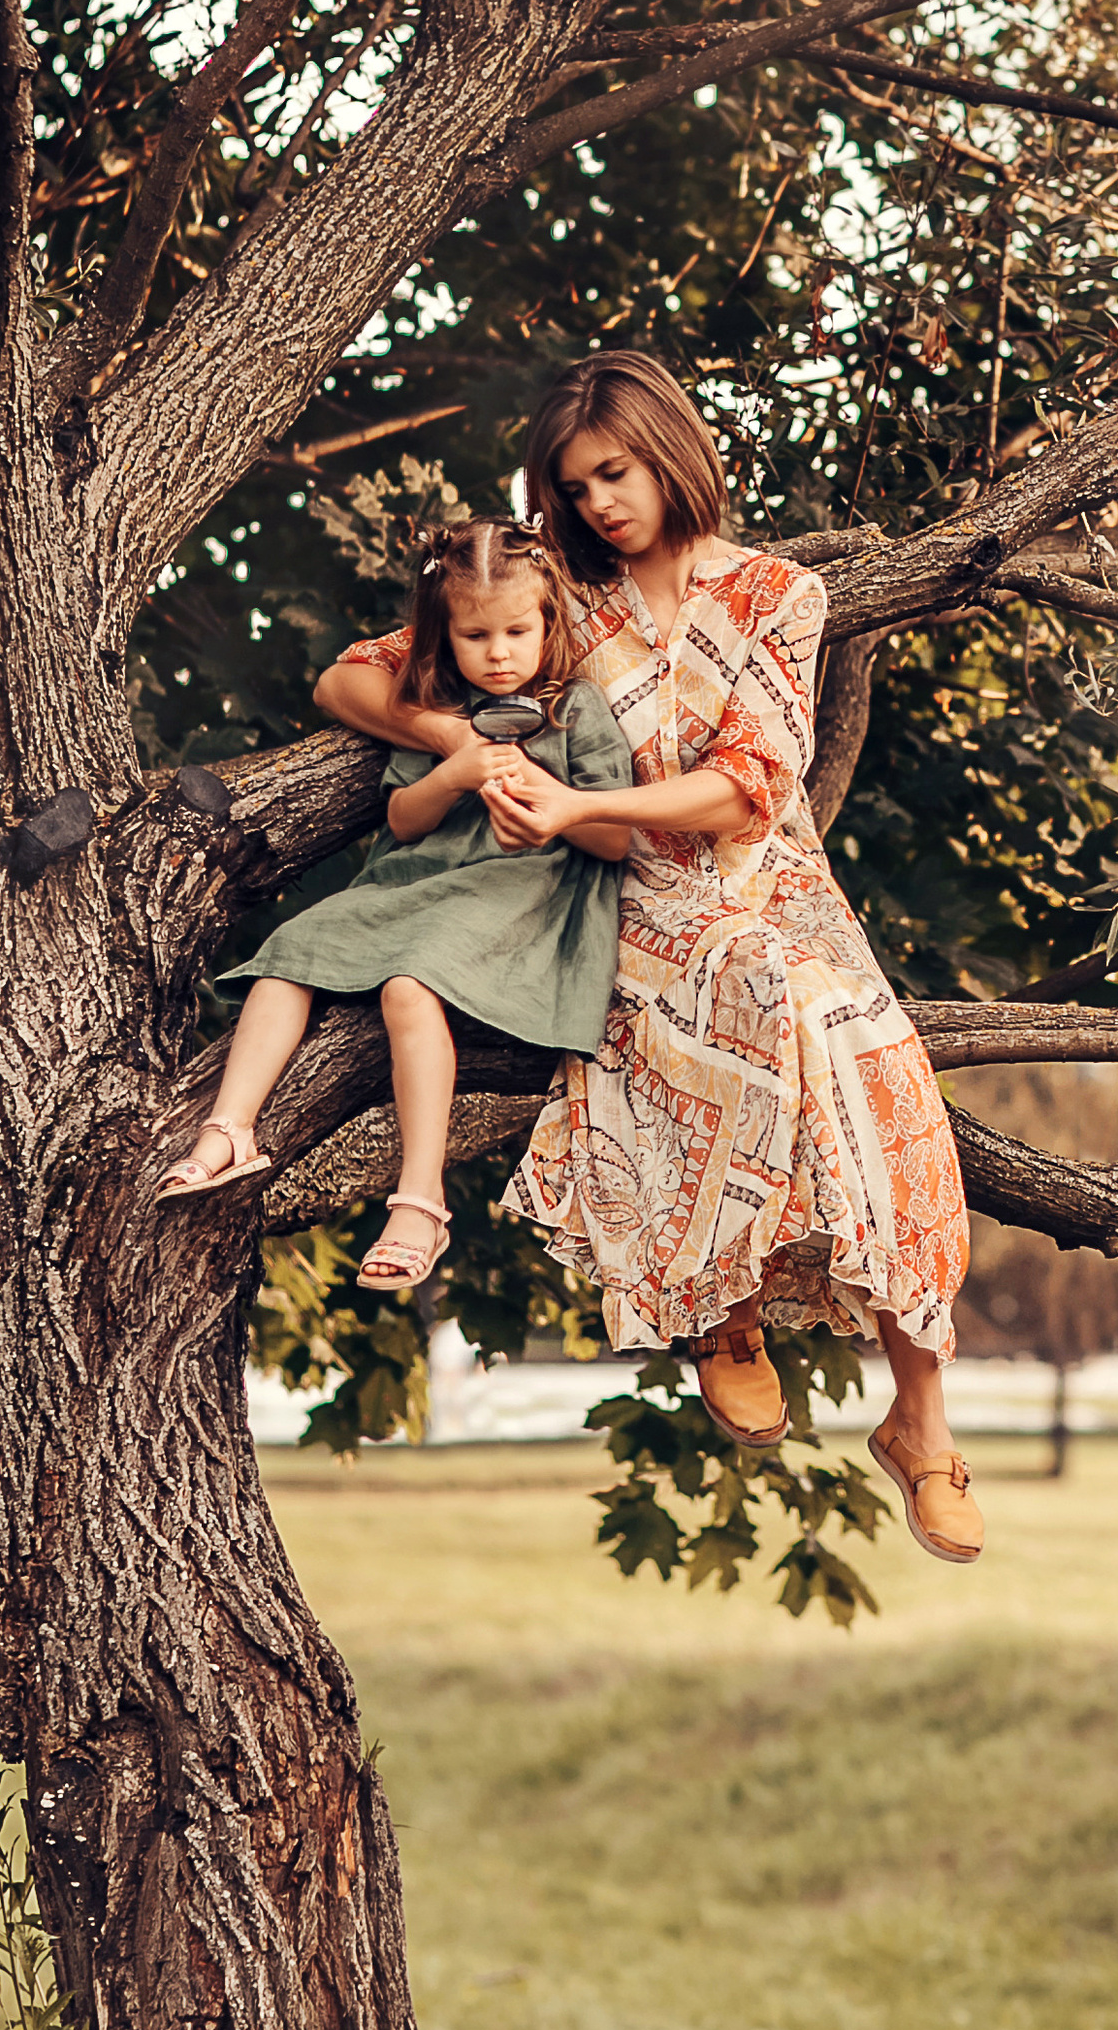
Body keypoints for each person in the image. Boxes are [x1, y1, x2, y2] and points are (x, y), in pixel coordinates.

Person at [313, 355, 983, 1563]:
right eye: (575, 488)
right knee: (749, 993)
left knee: (873, 1057)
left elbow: (749, 787)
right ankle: (717, 1315)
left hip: (775, 883)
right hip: (626, 889)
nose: (599, 505)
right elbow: (351, 674)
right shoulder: (561, 589)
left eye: (613, 474)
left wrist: (563, 804)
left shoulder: (782, 594)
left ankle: (922, 1424)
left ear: (669, 450)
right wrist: (471, 748)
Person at [161, 520, 634, 1292]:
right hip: (415, 883)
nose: (500, 652)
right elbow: (404, 820)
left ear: (550, 624)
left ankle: (420, 1200)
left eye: (518, 630)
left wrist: (554, 808)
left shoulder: (575, 710)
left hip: (521, 891)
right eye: (476, 635)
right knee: (287, 958)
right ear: (444, 637)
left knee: (409, 987)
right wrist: (454, 768)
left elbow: (615, 840)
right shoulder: (443, 711)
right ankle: (230, 1129)